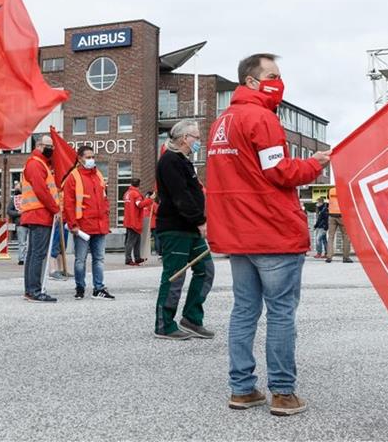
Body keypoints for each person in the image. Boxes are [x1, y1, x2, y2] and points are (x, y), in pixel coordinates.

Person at [206, 53, 331, 415]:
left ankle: (242, 389)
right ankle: (282, 392)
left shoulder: (221, 123)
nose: (279, 81)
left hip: (238, 234)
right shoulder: (262, 118)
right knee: (280, 313)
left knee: (244, 310)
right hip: (272, 231)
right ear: (251, 81)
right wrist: (316, 163)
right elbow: (280, 173)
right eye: (273, 75)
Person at [153, 120, 215, 341]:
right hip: (175, 228)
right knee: (174, 276)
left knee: (206, 270)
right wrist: (200, 220)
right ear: (183, 139)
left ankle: (192, 318)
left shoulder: (183, 161)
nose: (198, 141)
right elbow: (181, 196)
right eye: (196, 137)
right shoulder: (170, 161)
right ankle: (164, 324)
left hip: (190, 229)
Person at [63, 145, 115, 300]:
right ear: (80, 159)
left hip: (99, 225)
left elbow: (104, 199)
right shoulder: (73, 177)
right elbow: (68, 203)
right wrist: (72, 224)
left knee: (98, 259)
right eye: (88, 157)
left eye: (93, 156)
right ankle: (80, 287)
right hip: (82, 226)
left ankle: (98, 288)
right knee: (80, 260)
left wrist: (106, 219)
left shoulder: (98, 174)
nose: (91, 159)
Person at [21, 135, 61, 302]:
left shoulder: (37, 163)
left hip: (36, 213)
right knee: (38, 254)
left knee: (33, 254)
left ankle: (31, 290)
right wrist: (55, 209)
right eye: (48, 145)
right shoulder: (36, 164)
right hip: (40, 213)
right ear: (39, 145)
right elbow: (41, 190)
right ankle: (35, 290)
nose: (51, 149)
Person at [123, 178, 153, 265]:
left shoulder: (127, 193)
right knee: (131, 241)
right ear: (139, 185)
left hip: (128, 220)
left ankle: (137, 257)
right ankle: (128, 259)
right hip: (134, 220)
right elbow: (139, 204)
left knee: (136, 240)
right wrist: (149, 200)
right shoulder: (135, 194)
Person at [325, 187, 353, 263]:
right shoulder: (345, 190)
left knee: (331, 237)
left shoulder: (330, 190)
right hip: (342, 216)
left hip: (331, 216)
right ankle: (346, 257)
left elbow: (328, 198)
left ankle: (329, 257)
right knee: (346, 236)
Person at [7, 182, 28, 265]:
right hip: (20, 223)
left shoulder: (28, 197)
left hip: (30, 222)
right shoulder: (14, 199)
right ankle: (21, 259)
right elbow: (9, 211)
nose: (16, 189)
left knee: (29, 244)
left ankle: (29, 259)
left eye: (18, 187)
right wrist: (18, 213)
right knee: (21, 242)